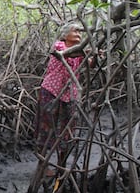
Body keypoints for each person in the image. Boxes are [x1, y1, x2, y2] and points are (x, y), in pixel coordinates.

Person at [35, 22, 95, 178]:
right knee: (46, 128)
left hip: (71, 96)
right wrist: (85, 51)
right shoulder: (58, 46)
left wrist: (95, 55)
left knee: (68, 131)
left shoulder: (80, 51)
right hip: (51, 92)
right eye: (75, 31)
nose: (79, 34)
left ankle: (62, 165)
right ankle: (43, 164)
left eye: (81, 32)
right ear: (65, 34)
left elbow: (91, 64)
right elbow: (68, 53)